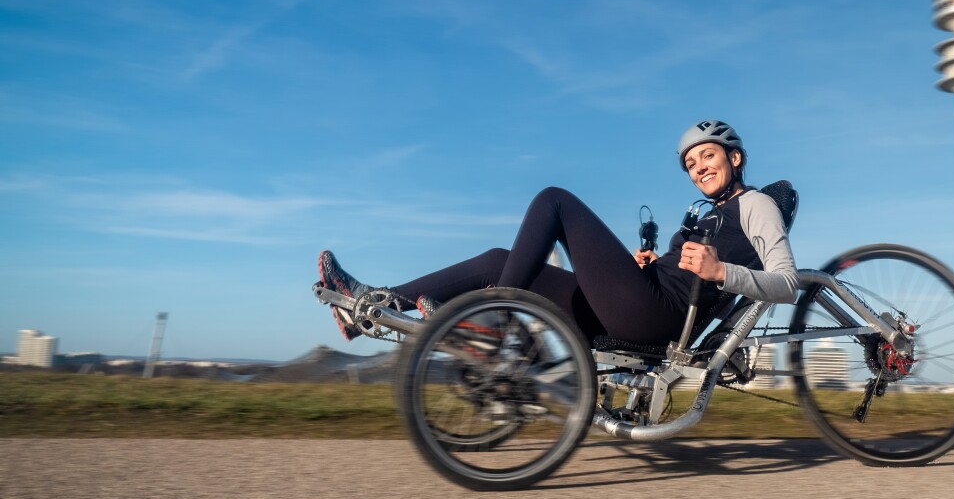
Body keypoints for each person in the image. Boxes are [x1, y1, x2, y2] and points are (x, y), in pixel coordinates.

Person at [317, 119, 801, 346]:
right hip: (640, 299)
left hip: (659, 318)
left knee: (554, 200)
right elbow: (680, 270)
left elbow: (787, 283)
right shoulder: (704, 213)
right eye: (691, 164)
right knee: (494, 260)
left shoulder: (756, 204)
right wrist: (653, 264)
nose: (699, 169)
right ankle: (372, 307)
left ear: (734, 158)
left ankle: (495, 322)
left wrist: (722, 271)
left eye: (708, 156)